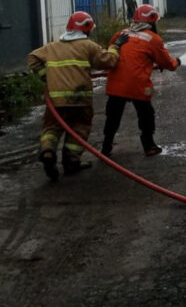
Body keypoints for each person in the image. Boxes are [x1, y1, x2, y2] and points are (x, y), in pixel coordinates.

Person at [28, 11, 126, 181]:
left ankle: (48, 151)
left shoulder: (51, 47)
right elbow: (110, 61)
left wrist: (46, 76)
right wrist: (115, 47)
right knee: (79, 128)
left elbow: (32, 58)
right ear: (87, 29)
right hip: (80, 99)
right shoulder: (88, 46)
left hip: (56, 100)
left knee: (51, 128)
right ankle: (71, 161)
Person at [101, 4, 180, 157]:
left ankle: (106, 147)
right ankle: (149, 146)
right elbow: (167, 63)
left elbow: (112, 50)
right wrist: (177, 62)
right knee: (146, 115)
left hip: (116, 84)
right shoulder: (153, 39)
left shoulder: (121, 34)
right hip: (138, 84)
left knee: (113, 117)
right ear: (153, 21)